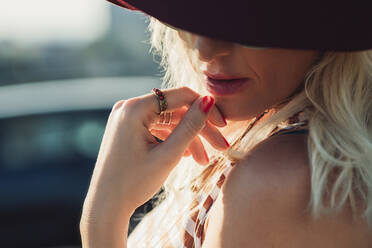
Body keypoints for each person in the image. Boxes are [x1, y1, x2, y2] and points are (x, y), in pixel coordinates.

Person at [80, 0, 372, 247]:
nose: (205, 51)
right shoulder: (266, 144)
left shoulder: (282, 180)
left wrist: (103, 219)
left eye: (243, 24)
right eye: (193, 15)